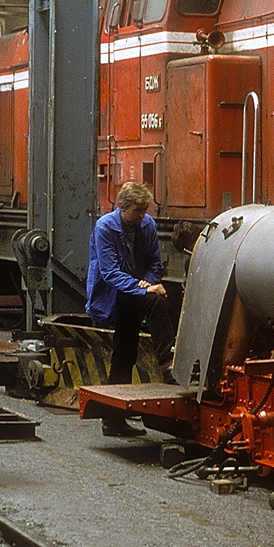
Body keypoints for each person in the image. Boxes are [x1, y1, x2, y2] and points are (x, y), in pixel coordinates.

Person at [86, 181, 176, 436]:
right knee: (125, 351)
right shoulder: (105, 227)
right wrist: (142, 287)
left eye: (145, 209)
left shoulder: (147, 225)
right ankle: (167, 362)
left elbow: (154, 263)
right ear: (122, 208)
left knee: (126, 350)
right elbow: (110, 272)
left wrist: (147, 282)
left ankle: (112, 421)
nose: (142, 215)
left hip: (137, 289)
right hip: (117, 293)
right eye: (137, 210)